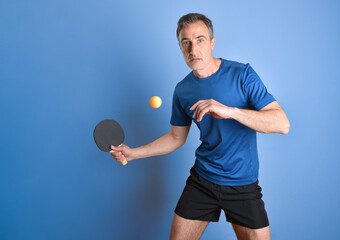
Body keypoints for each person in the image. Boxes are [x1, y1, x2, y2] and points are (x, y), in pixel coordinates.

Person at [110, 13, 290, 240]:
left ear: (212, 42)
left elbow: (282, 124)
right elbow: (176, 138)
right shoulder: (183, 90)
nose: (193, 49)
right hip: (203, 181)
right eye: (186, 42)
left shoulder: (242, 75)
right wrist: (134, 153)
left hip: (242, 185)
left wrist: (230, 111)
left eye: (200, 40)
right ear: (180, 47)